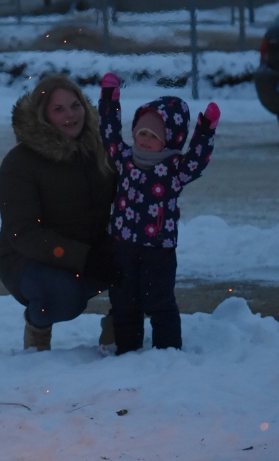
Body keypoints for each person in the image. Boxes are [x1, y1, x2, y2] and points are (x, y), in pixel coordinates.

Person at [0, 75, 119, 351]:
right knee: (62, 295)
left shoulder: (101, 151)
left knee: (145, 265)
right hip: (28, 261)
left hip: (89, 252)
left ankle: (119, 328)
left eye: (75, 106)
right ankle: (37, 327)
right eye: (59, 109)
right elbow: (22, 232)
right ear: (43, 115)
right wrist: (82, 257)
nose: (70, 115)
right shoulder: (20, 163)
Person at [98, 73, 219, 354]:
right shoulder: (125, 159)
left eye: (153, 136)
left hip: (159, 249)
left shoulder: (175, 169)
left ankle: (167, 352)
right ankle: (128, 350)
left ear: (169, 140)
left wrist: (205, 130)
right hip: (123, 245)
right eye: (141, 132)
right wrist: (109, 100)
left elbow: (198, 161)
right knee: (124, 300)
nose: (144, 140)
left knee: (158, 300)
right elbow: (109, 134)